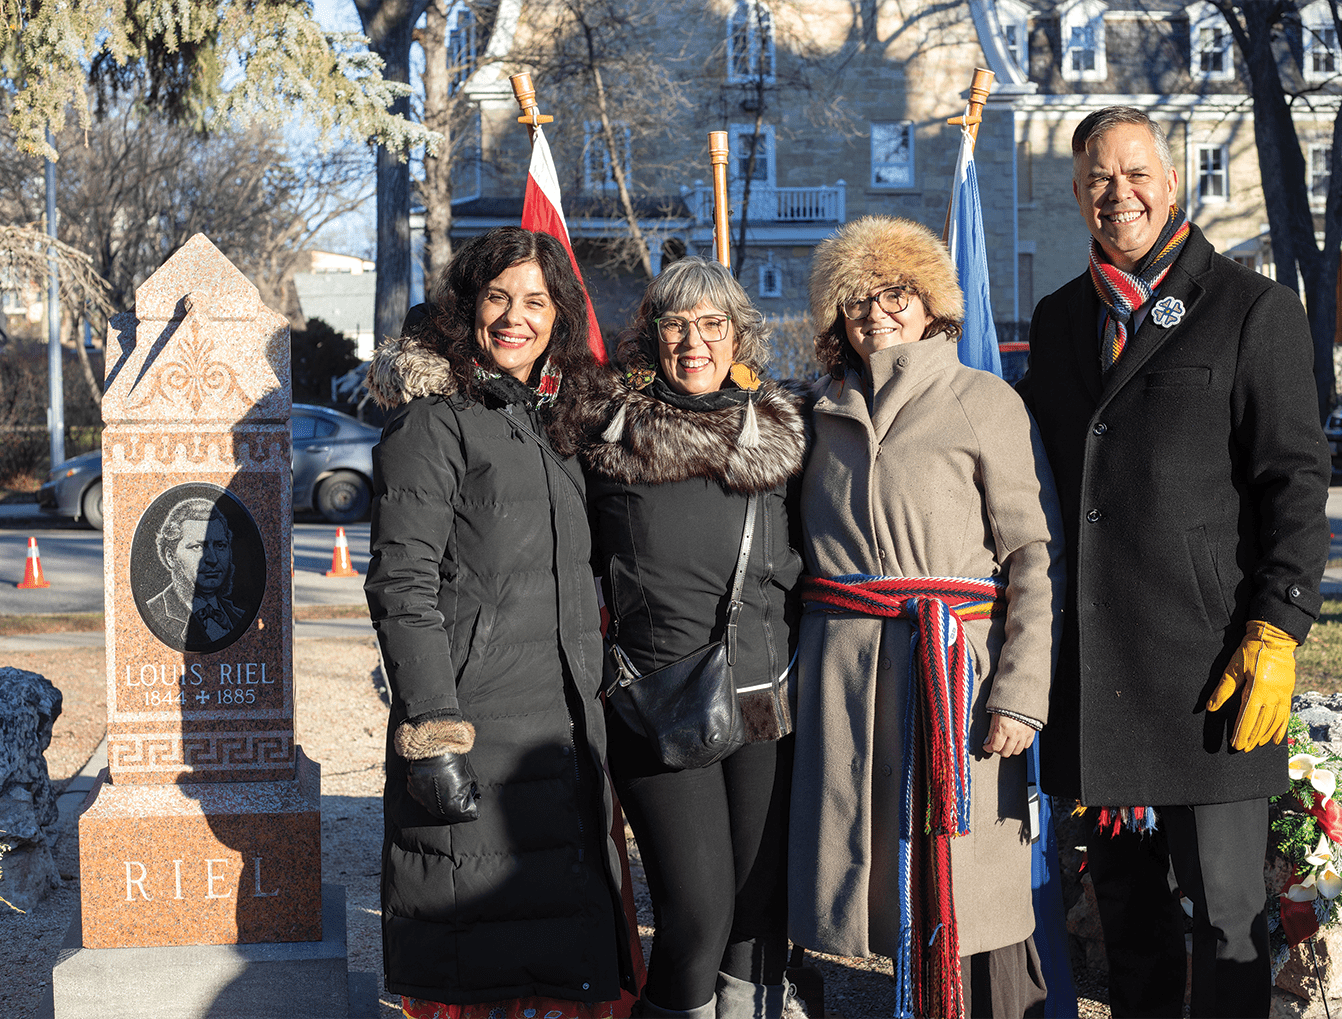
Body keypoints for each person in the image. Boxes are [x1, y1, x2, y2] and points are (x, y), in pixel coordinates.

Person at [1016, 106, 1331, 1018]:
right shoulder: (1060, 318)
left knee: (1230, 919)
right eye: (1098, 181)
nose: (1119, 195)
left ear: (1173, 180)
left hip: (1214, 671)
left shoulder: (1250, 308)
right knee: (1130, 917)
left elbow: (1297, 483)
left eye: (1135, 174)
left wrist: (1280, 624)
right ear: (1077, 196)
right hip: (1100, 671)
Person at [788, 216, 1062, 1019]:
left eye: (895, 293)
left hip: (957, 680)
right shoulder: (817, 415)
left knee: (970, 885)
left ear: (932, 303)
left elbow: (1033, 558)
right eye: (856, 300)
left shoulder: (983, 400)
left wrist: (1021, 691)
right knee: (867, 885)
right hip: (847, 682)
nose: (876, 313)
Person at [364, 227, 633, 1018]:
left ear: (560, 316)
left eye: (537, 302)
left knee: (560, 953)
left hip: (563, 723)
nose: (517, 317)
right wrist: (434, 729)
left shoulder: (556, 422)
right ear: (467, 307)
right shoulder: (434, 421)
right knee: (478, 954)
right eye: (499, 297)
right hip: (475, 718)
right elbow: (401, 584)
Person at [574, 256, 805, 1019]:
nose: (694, 340)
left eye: (712, 324)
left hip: (763, 699)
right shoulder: (608, 434)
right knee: (698, 919)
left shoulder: (778, 439)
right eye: (675, 323)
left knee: (754, 915)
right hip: (657, 700)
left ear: (739, 336)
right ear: (651, 335)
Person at [145, 497, 245, 647]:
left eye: (220, 545)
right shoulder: (155, 611)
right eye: (197, 547)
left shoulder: (237, 616)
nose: (212, 559)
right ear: (171, 557)